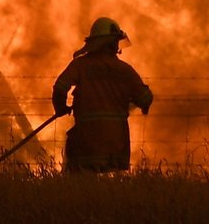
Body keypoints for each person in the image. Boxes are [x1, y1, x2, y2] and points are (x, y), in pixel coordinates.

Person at [52, 17, 153, 173]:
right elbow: (145, 98)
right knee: (110, 186)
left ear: (94, 42)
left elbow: (60, 87)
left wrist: (60, 108)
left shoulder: (81, 65)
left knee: (81, 183)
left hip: (86, 141)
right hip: (116, 143)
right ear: (112, 43)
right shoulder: (124, 70)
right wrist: (139, 102)